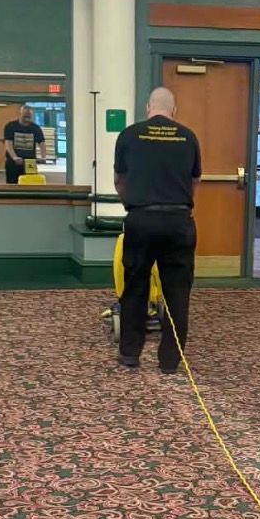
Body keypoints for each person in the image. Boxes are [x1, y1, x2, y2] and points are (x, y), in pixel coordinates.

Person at [113, 86, 201, 374]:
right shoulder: (188, 137)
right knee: (177, 293)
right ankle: (169, 361)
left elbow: (119, 179)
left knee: (135, 288)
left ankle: (129, 354)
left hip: (141, 220)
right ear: (174, 111)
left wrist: (134, 205)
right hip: (178, 222)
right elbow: (194, 183)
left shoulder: (129, 135)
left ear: (147, 108)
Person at [3, 105, 46, 184]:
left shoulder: (35, 128)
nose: (27, 119)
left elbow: (42, 143)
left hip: (30, 162)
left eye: (29, 117)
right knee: (12, 184)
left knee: (30, 183)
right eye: (25, 116)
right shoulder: (10, 126)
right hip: (13, 162)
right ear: (20, 114)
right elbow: (8, 143)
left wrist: (43, 156)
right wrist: (14, 157)